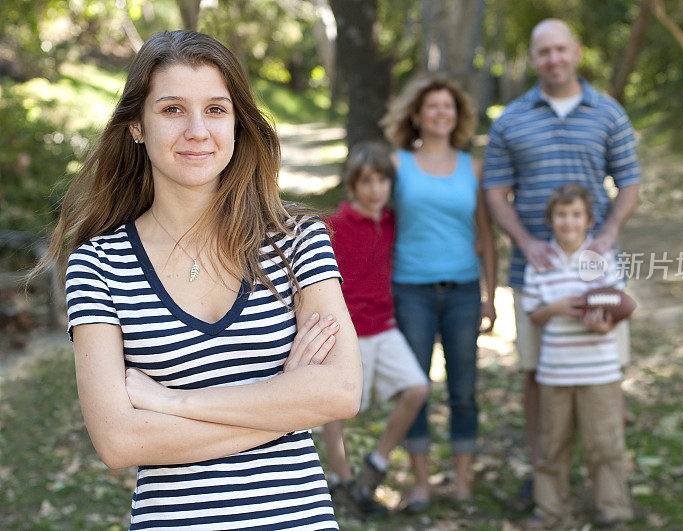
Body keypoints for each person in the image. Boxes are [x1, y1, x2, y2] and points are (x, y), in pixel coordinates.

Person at [42, 31, 362, 529]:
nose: (197, 130)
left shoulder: (295, 239)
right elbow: (120, 441)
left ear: (237, 122)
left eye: (216, 109)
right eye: (172, 109)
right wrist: (288, 400)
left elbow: (341, 392)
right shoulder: (97, 267)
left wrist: (172, 404)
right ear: (137, 126)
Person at [483, 18, 641, 510]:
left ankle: (609, 478)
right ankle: (545, 475)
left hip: (596, 269)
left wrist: (609, 232)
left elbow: (630, 183)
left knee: (606, 367)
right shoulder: (511, 119)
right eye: (543, 52)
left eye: (560, 49)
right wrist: (526, 241)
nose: (553, 59)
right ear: (533, 60)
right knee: (537, 373)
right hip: (539, 270)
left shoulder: (609, 113)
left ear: (576, 51)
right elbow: (494, 191)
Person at [380, 75, 497, 510]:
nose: (440, 113)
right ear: (416, 115)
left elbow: (485, 235)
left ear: (458, 115)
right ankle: (423, 485)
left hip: (464, 291)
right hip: (411, 291)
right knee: (417, 386)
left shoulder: (474, 167)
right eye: (432, 107)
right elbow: (377, 226)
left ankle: (463, 483)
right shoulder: (396, 165)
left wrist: (488, 296)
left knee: (464, 389)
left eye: (448, 106)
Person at [320, 142, 429, 515]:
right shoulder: (334, 226)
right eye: (367, 181)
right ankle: (342, 479)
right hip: (347, 331)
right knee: (338, 409)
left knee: (417, 389)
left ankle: (376, 464)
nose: (375, 189)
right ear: (353, 184)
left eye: (382, 180)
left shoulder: (394, 223)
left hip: (385, 327)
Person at [520, 183, 633, 528]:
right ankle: (550, 511)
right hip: (556, 371)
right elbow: (533, 315)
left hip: (599, 371)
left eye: (576, 215)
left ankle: (613, 508)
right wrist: (553, 308)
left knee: (605, 443)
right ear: (551, 220)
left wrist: (603, 326)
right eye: (561, 215)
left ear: (589, 220)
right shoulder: (540, 262)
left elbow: (618, 308)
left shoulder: (602, 259)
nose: (568, 222)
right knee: (552, 445)